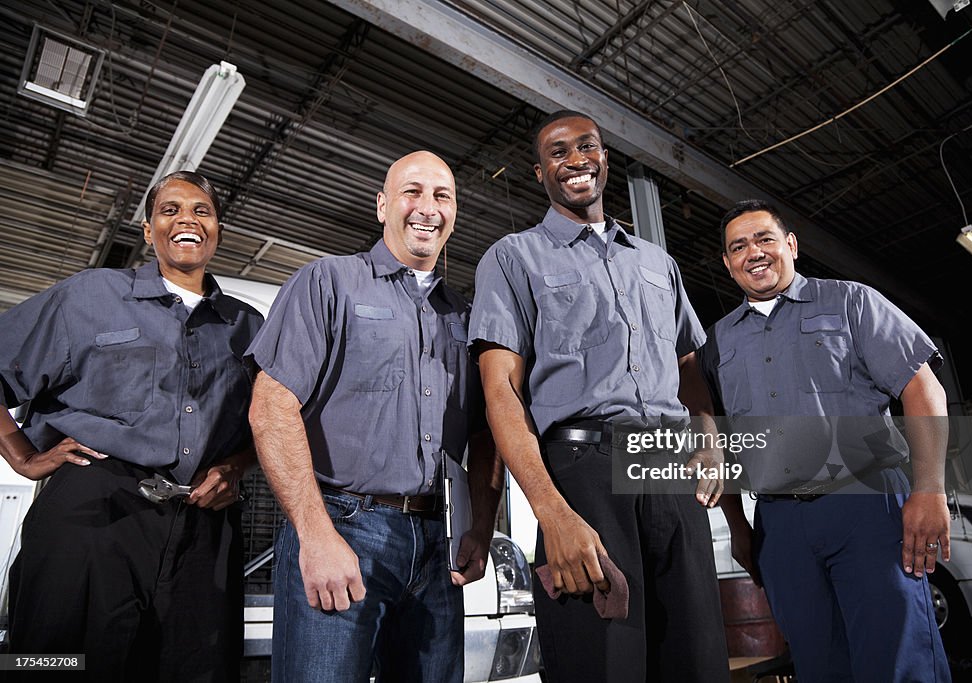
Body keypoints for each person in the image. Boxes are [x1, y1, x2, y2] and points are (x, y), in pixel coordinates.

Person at [469, 110, 731, 683]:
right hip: (583, 475)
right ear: (540, 173)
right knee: (603, 662)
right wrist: (551, 512)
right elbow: (501, 394)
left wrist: (709, 438)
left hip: (669, 471)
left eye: (586, 146)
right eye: (558, 153)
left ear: (605, 158)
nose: (575, 160)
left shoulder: (657, 263)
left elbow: (687, 361)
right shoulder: (513, 258)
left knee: (698, 660)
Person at [246, 150, 503, 683]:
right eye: (412, 191)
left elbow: (483, 432)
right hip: (343, 529)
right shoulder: (328, 282)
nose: (427, 207)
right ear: (383, 205)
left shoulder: (465, 315)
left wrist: (481, 522)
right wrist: (315, 536)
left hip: (436, 543)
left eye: (442, 195)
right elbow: (271, 408)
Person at [0, 170, 264, 682]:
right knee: (55, 665)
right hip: (93, 511)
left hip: (203, 526)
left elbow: (271, 423)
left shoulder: (249, 327)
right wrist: (20, 454)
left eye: (201, 211)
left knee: (196, 666)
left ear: (217, 230)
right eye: (170, 210)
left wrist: (235, 466)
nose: (186, 219)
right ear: (148, 231)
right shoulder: (90, 295)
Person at [701, 199, 951, 682]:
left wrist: (929, 489)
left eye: (764, 239)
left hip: (867, 506)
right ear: (728, 264)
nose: (753, 252)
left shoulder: (851, 302)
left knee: (898, 657)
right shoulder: (719, 343)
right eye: (738, 246)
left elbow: (923, 388)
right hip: (779, 522)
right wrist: (738, 525)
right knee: (819, 664)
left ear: (790, 245)